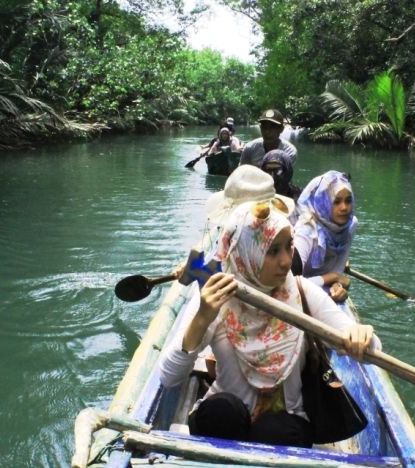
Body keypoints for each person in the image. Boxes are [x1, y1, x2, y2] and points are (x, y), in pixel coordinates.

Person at [159, 200, 378, 447]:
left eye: (289, 247)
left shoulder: (301, 293)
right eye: (273, 251)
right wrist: (202, 319)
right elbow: (168, 378)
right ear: (247, 252)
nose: (286, 261)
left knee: (277, 431)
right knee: (222, 412)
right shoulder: (217, 296)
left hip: (284, 431)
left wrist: (361, 336)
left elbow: (372, 351)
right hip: (225, 427)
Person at [293, 171, 357, 303]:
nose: (344, 208)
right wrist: (331, 278)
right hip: (297, 294)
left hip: (321, 290)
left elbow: (337, 270)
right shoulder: (306, 231)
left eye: (348, 201)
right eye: (336, 202)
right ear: (323, 203)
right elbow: (291, 285)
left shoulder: (350, 225)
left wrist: (337, 286)